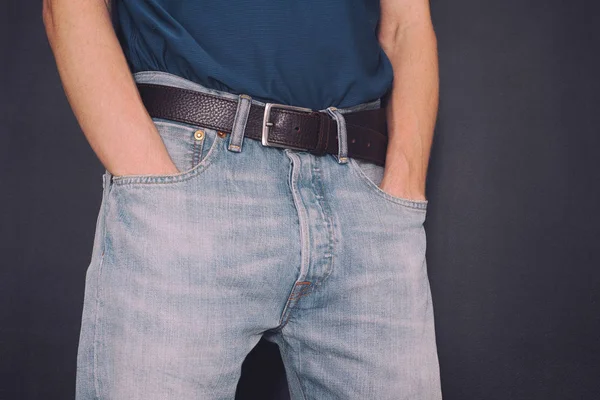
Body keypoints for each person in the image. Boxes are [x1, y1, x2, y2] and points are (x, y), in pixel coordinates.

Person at [43, 0, 441, 398]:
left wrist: (404, 184)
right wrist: (147, 173)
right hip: (193, 172)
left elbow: (406, 21)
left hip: (360, 196)